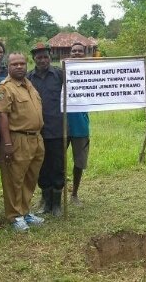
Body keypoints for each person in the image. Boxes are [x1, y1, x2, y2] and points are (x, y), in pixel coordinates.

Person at [0, 52, 45, 232]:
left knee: (30, 178)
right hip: (17, 139)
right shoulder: (4, 88)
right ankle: (15, 216)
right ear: (8, 66)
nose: (19, 67)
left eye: (22, 63)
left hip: (36, 138)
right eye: (14, 64)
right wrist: (7, 144)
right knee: (14, 179)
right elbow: (2, 115)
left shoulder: (29, 84)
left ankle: (25, 211)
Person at [27, 43, 65, 217]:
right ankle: (46, 201)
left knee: (58, 166)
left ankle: (57, 204)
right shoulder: (28, 79)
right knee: (41, 167)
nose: (42, 60)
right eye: (39, 57)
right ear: (33, 59)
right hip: (37, 131)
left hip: (58, 130)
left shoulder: (59, 74)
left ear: (50, 57)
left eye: (45, 57)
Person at [66, 41, 90, 206]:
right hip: (60, 123)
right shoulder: (61, 70)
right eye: (73, 51)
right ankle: (52, 196)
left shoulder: (91, 71)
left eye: (79, 51)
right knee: (56, 162)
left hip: (80, 123)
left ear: (85, 53)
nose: (76, 54)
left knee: (79, 162)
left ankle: (74, 194)